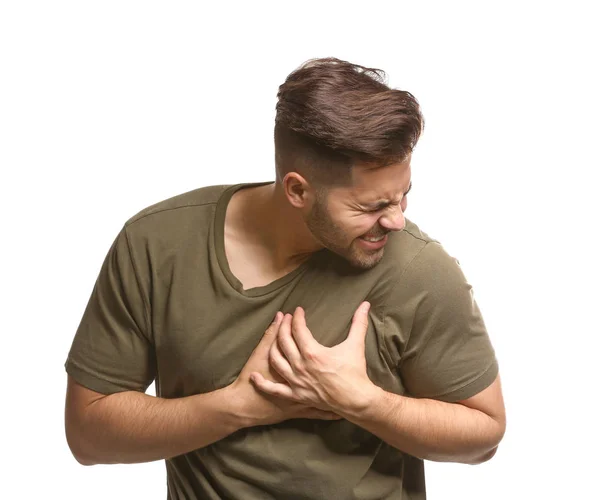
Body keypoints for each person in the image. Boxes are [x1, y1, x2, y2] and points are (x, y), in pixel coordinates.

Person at [64, 57, 506, 499]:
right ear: (297, 190)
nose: (395, 221)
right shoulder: (158, 245)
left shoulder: (418, 270)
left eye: (403, 195)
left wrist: (361, 400)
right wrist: (237, 408)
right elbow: (88, 435)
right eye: (370, 207)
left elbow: (483, 433)